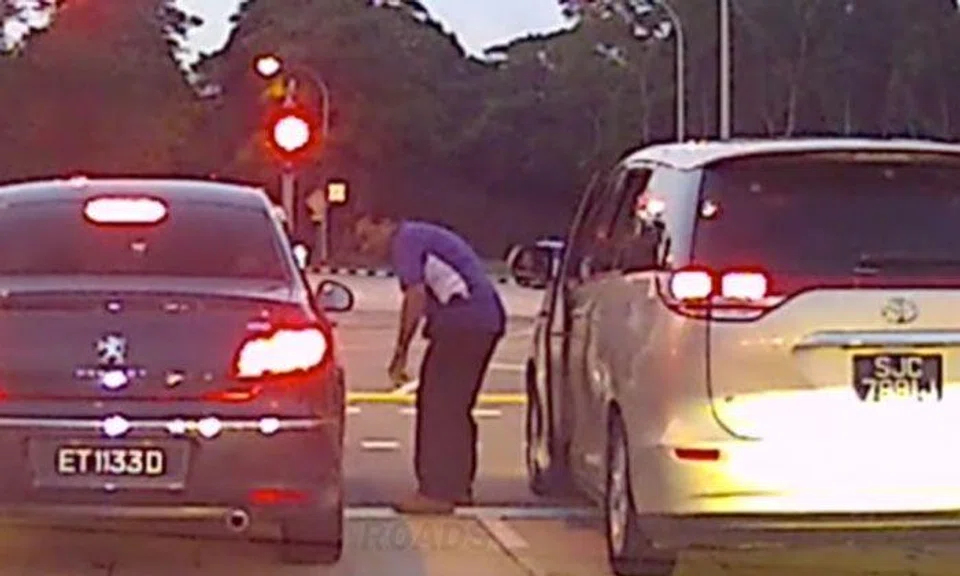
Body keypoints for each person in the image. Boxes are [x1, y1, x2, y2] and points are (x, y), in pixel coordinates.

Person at [354, 209, 506, 514]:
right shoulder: (422, 235)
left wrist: (400, 352)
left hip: (463, 321)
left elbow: (415, 297)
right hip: (484, 319)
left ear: (386, 222)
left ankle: (435, 491)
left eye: (367, 237)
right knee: (456, 407)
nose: (366, 248)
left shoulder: (406, 241)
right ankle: (458, 486)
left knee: (437, 404)